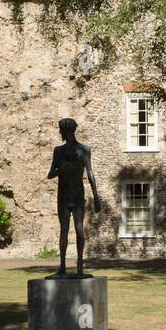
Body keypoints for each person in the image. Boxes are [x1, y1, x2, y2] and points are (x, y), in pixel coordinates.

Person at [46, 117, 100, 276]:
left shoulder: (84, 149)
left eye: (61, 130)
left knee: (79, 230)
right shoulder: (58, 150)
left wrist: (96, 196)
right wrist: (60, 170)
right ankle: (62, 267)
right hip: (63, 195)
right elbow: (50, 174)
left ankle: (79, 268)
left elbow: (90, 173)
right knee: (63, 230)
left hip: (77, 194)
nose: (59, 133)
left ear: (67, 130)